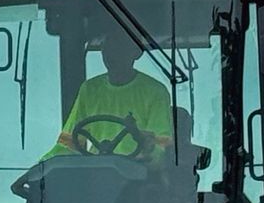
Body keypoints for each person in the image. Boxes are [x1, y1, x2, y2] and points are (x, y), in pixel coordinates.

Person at [46, 24, 173, 163]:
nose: (112, 52)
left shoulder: (155, 91)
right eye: (107, 46)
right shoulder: (89, 89)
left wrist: (147, 147)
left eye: (120, 46)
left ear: (137, 52)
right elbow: (69, 143)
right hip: (98, 174)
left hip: (140, 177)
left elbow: (161, 147)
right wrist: (38, 169)